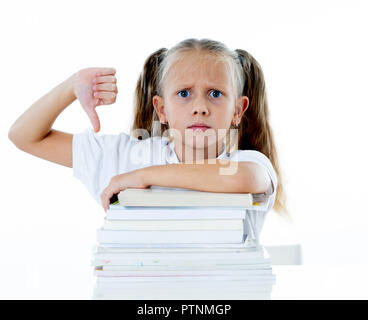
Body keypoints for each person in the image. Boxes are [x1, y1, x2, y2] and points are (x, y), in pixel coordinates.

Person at [8, 38, 287, 235]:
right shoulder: (126, 156)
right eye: (184, 93)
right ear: (161, 109)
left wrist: (142, 177)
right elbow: (25, 136)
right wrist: (71, 85)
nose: (200, 107)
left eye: (215, 94)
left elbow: (244, 178)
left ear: (238, 111)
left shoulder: (249, 162)